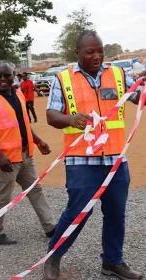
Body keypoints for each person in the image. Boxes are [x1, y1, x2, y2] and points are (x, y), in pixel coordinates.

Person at [44, 30, 146, 280]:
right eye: (90, 51)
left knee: (115, 212)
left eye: (100, 50)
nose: (97, 56)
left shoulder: (119, 75)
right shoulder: (63, 78)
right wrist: (70, 119)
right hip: (81, 161)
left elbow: (139, 97)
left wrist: (143, 84)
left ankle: (112, 262)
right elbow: (51, 115)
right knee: (78, 211)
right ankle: (53, 257)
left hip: (115, 161)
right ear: (77, 53)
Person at [0, 60, 56, 245]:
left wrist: (37, 141)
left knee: (35, 190)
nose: (3, 79)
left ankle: (51, 227)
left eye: (7, 75)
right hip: (6, 160)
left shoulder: (18, 94)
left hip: (25, 155)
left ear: (13, 74)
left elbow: (24, 124)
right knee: (3, 196)